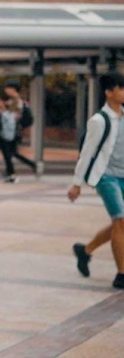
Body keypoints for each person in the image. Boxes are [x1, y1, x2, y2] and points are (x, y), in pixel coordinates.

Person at [68, 71, 124, 289]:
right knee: (120, 220)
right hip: (106, 177)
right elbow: (87, 153)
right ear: (109, 92)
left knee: (121, 224)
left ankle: (86, 250)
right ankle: (121, 274)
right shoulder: (99, 121)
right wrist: (76, 184)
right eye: (121, 88)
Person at [2, 81, 38, 178]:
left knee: (9, 151)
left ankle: (11, 171)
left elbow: (14, 116)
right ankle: (11, 170)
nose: (5, 90)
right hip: (13, 130)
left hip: (13, 131)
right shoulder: (16, 100)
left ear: (12, 89)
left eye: (7, 88)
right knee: (11, 152)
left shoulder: (16, 101)